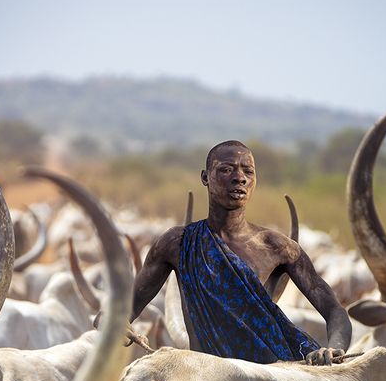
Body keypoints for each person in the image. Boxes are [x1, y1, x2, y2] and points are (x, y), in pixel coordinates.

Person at [131, 140, 352, 365]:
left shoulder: (276, 246)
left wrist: (334, 349)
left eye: (248, 171)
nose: (239, 178)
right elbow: (127, 308)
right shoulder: (178, 243)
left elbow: (335, 311)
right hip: (206, 377)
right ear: (205, 177)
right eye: (226, 170)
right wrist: (113, 324)